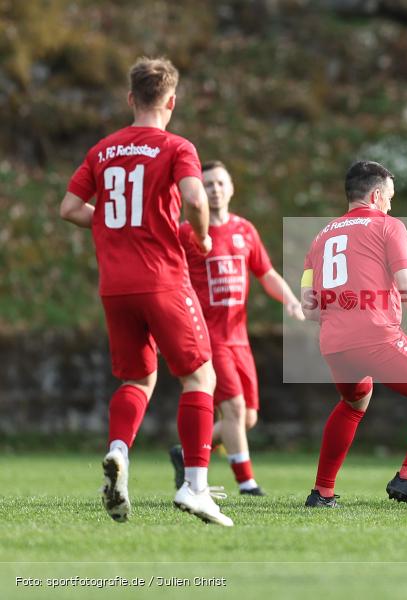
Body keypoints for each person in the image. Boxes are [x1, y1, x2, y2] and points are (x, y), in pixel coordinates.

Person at [59, 56, 232, 526]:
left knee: (137, 379)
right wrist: (201, 237)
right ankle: (196, 488)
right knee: (199, 378)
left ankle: (119, 452)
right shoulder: (176, 146)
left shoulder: (102, 150)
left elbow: (69, 208)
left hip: (115, 287)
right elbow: (195, 198)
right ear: (171, 101)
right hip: (163, 280)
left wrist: (112, 224)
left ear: (130, 98)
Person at [300, 160, 407, 510]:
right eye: (389, 197)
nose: (391, 205)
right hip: (376, 337)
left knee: (353, 404)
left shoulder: (320, 238)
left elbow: (309, 309)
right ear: (377, 196)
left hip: (334, 345)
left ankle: (322, 493)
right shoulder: (388, 226)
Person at [168, 160, 305, 496]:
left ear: (231, 188)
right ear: (199, 192)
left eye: (220, 183)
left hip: (238, 338)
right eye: (208, 184)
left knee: (246, 419)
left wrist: (289, 300)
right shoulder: (186, 233)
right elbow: (170, 278)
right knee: (233, 409)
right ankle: (247, 482)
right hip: (208, 336)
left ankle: (186, 454)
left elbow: (265, 272)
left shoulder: (244, 229)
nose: (215, 189)